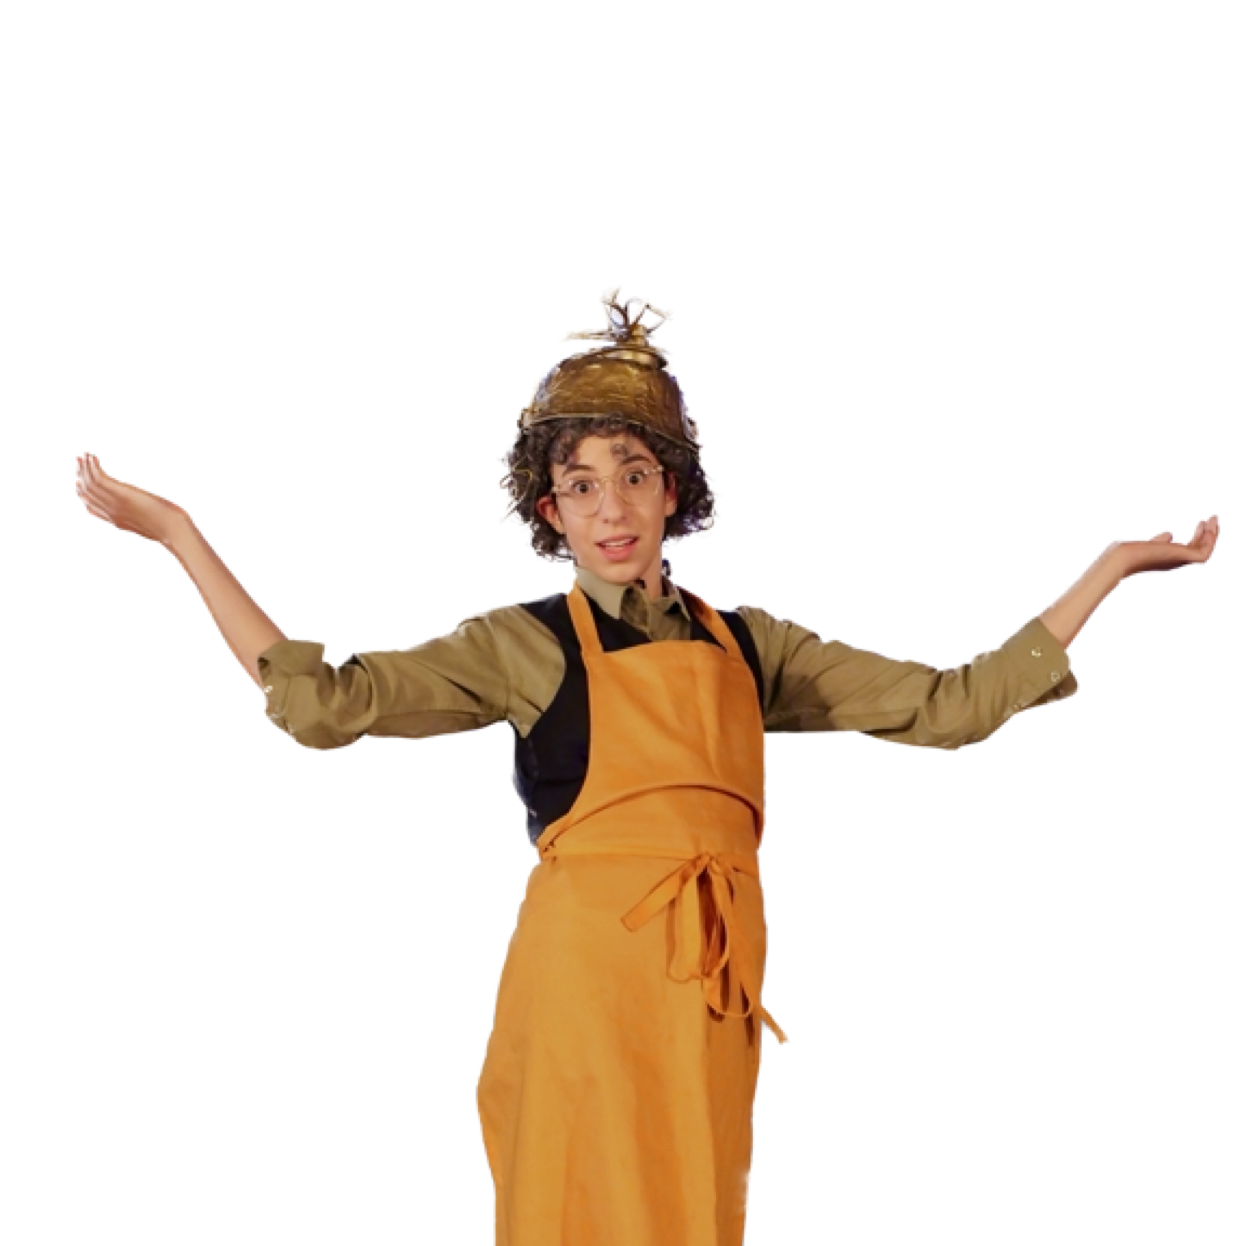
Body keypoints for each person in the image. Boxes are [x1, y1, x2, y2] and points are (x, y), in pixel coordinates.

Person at [74, 285, 1221, 1246]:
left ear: (674, 486)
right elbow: (324, 706)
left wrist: (1108, 570)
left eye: (631, 473)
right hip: (582, 991)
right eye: (580, 484)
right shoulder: (521, 643)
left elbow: (949, 706)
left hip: (705, 998)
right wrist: (180, 535)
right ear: (549, 507)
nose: (610, 508)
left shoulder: (753, 647)